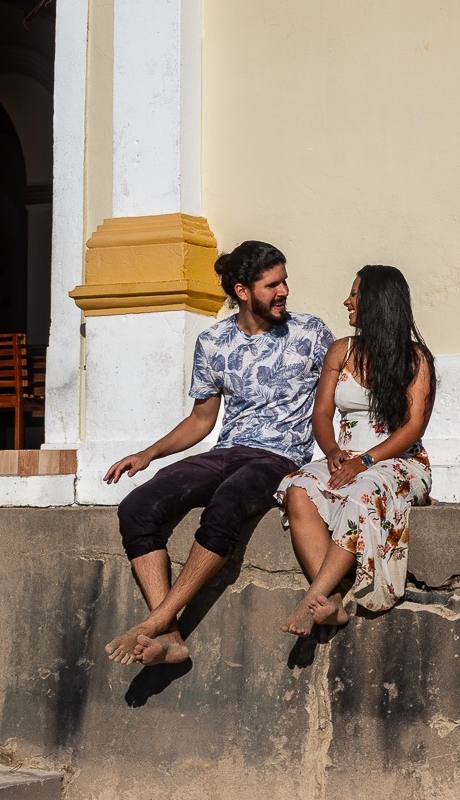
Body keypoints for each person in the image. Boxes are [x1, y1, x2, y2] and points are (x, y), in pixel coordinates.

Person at [103, 240, 333, 665]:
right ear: (242, 291)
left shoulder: (312, 333)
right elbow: (201, 420)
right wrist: (149, 453)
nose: (283, 292)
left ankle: (156, 620)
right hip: (226, 450)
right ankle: (169, 634)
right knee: (137, 506)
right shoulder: (212, 342)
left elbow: (341, 395)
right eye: (272, 285)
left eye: (284, 282)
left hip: (280, 456)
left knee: (228, 503)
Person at [277, 265, 435, 636]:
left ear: (378, 302)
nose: (347, 301)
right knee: (298, 488)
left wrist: (366, 461)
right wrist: (331, 450)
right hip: (347, 459)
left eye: (355, 294)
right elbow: (322, 412)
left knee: (364, 492)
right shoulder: (341, 351)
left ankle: (311, 597)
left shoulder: (415, 358)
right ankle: (330, 600)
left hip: (398, 462)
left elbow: (414, 427)